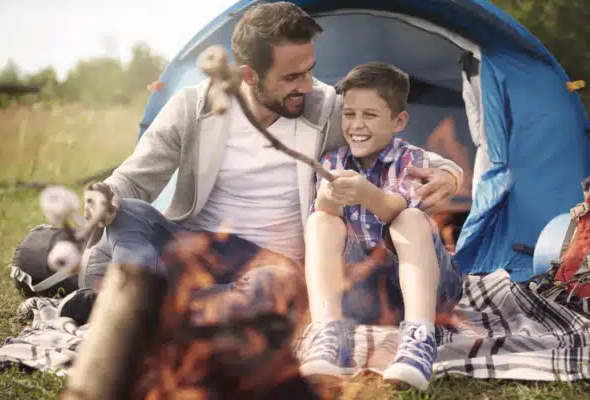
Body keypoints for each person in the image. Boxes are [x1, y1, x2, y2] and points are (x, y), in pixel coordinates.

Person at [81, 2, 463, 325]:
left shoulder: (325, 108)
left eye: (310, 70)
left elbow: (391, 143)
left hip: (270, 267)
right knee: (130, 213)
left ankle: (137, 308)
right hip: (194, 249)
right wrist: (106, 198)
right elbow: (131, 181)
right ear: (249, 75)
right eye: (292, 77)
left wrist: (449, 172)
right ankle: (145, 293)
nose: (307, 84)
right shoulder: (193, 108)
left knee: (275, 290)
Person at [298, 62, 464, 391]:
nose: (356, 125)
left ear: (399, 121)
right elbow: (324, 207)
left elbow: (393, 208)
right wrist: (330, 197)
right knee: (320, 220)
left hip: (430, 291)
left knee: (411, 218)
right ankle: (329, 332)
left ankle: (419, 337)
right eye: (349, 114)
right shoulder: (334, 161)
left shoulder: (411, 161)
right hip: (367, 297)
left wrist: (366, 193)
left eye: (370, 115)